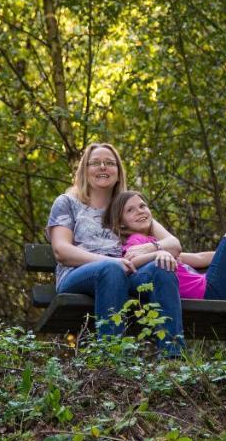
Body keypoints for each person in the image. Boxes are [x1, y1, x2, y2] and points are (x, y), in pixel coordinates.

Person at [46, 143, 186, 356]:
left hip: (126, 272)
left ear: (118, 171)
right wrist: (109, 261)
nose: (103, 167)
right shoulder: (67, 202)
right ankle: (113, 360)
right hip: (77, 274)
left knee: (161, 267)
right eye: (95, 163)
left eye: (110, 163)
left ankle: (173, 357)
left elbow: (174, 244)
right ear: (85, 170)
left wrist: (154, 248)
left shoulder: (126, 206)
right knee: (111, 270)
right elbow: (61, 251)